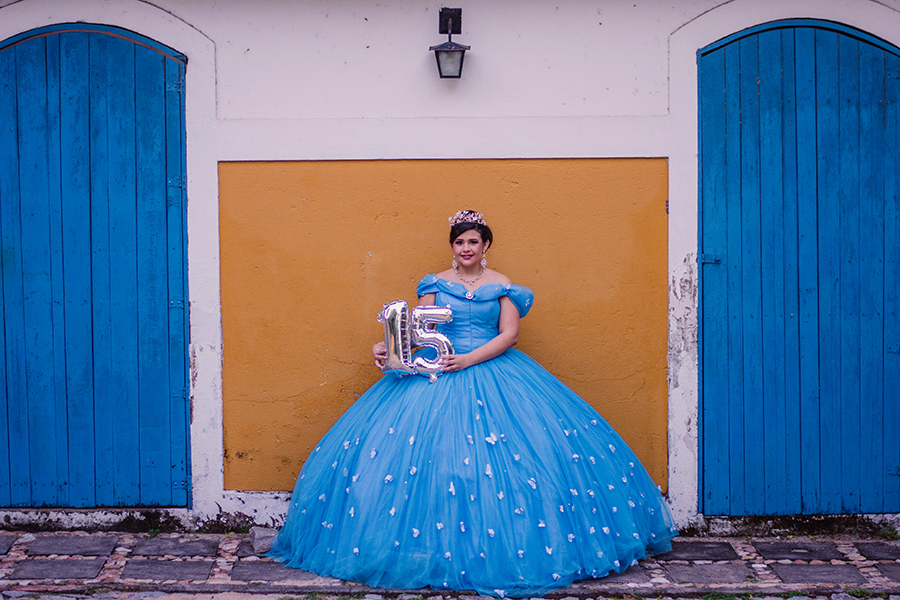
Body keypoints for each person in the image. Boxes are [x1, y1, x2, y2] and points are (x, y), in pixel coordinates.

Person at [268, 210, 677, 598]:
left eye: (473, 242)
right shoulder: (434, 284)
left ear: (485, 246)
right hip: (439, 371)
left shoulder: (502, 285)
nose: (466, 248)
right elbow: (417, 330)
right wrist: (387, 347)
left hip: (492, 370)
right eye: (460, 242)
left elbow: (509, 335)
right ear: (452, 246)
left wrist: (468, 359)